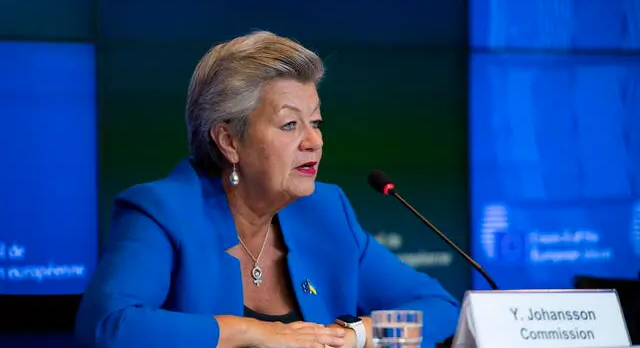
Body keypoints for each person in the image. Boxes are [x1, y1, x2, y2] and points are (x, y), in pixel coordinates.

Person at [75, 30, 461, 348]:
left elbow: (439, 309)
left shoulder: (327, 212)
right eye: (290, 125)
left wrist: (359, 335)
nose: (314, 141)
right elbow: (108, 328)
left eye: (316, 122)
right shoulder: (162, 213)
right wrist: (253, 332)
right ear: (229, 141)